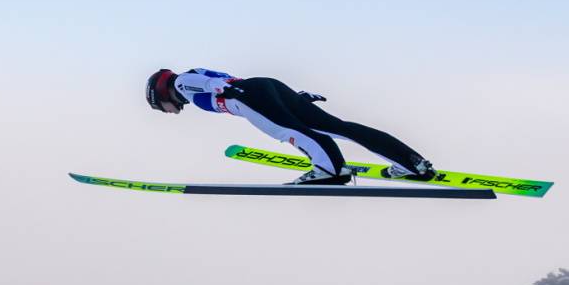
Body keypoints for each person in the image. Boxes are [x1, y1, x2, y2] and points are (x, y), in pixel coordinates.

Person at [145, 68, 436, 185]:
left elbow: (210, 84)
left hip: (246, 96)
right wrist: (293, 99)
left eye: (161, 107)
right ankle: (413, 163)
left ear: (161, 94)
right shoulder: (193, 77)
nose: (168, 112)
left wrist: (224, 90)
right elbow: (228, 80)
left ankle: (329, 170)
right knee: (339, 127)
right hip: (264, 87)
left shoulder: (182, 82)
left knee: (288, 131)